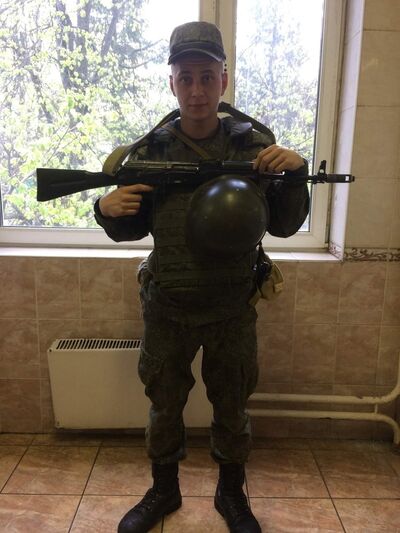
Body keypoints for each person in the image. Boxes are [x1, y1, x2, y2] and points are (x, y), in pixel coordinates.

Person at [94, 21, 309, 533]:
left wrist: (296, 174)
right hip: (167, 304)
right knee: (164, 403)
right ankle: (163, 490)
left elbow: (283, 226)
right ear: (171, 82)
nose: (196, 90)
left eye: (207, 77)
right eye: (186, 77)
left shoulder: (254, 147)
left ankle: (231, 494)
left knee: (232, 404)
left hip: (232, 306)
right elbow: (129, 229)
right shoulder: (150, 152)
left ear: (223, 81)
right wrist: (104, 209)